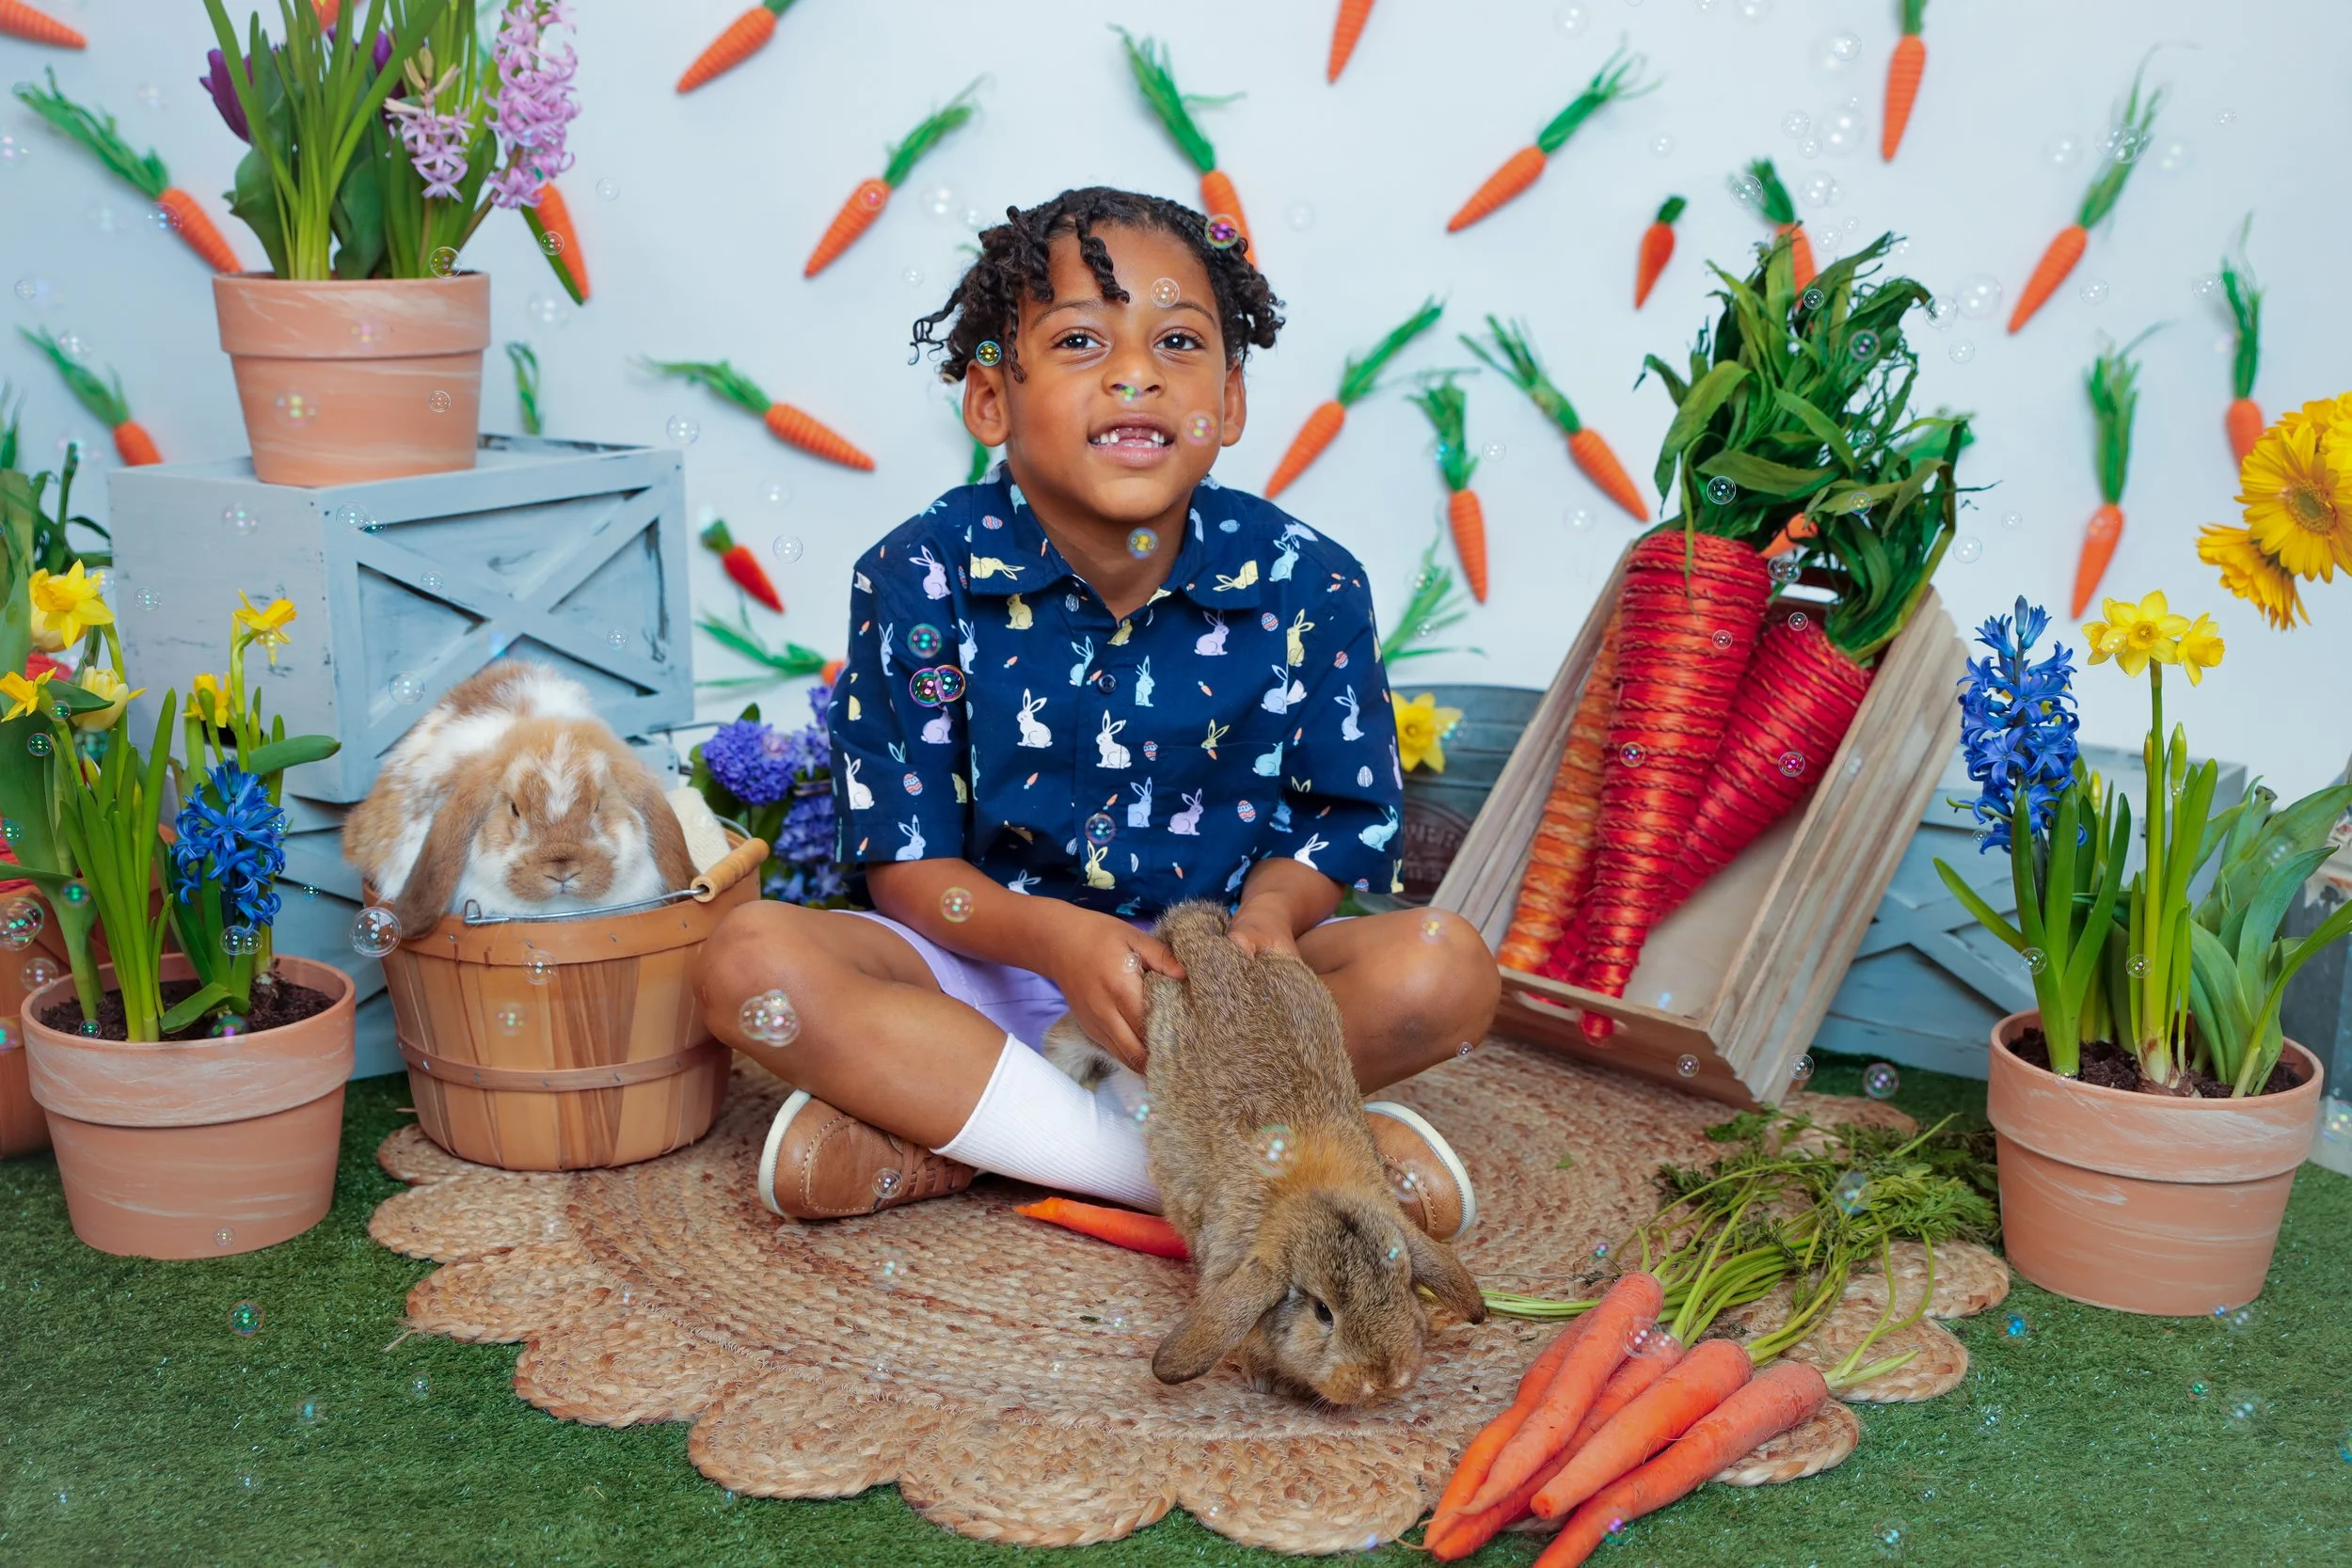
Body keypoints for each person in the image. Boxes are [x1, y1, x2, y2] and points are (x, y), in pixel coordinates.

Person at [696, 186, 1500, 1237]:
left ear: (1231, 401)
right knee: (748, 960)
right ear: (992, 399)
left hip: (1218, 1002)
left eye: (1179, 342)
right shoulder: (917, 573)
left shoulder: (1310, 580)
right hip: (975, 977)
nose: (1135, 373)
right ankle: (1184, 1168)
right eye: (1080, 340)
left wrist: (1266, 922)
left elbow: (1336, 822)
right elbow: (908, 870)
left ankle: (958, 1133)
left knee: (1443, 967)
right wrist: (1059, 941)